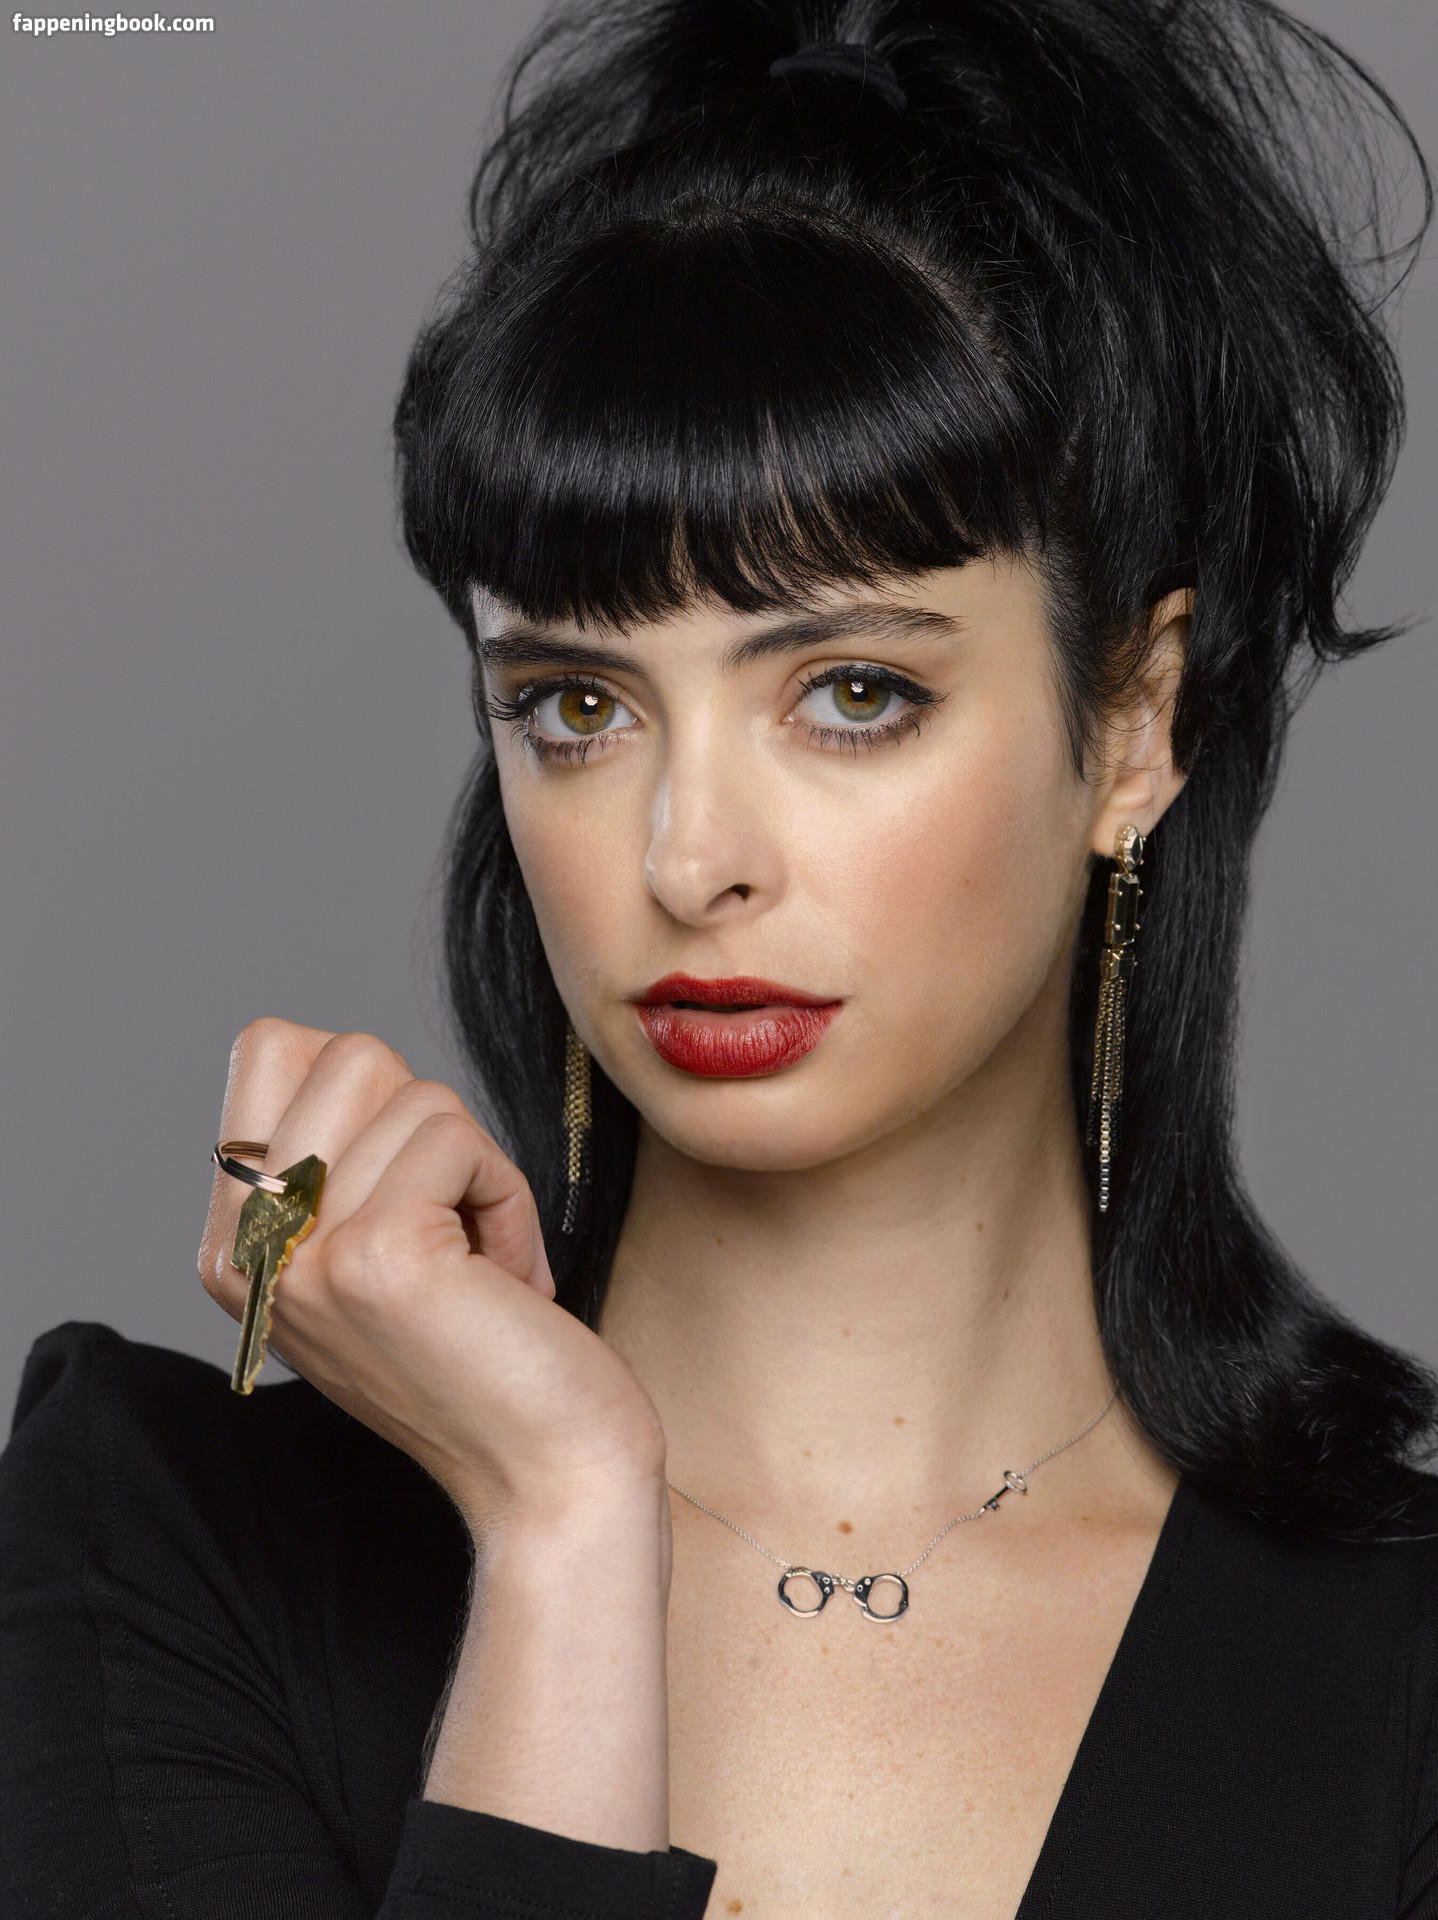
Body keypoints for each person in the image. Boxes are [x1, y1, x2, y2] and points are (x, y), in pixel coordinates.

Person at [3, 0, 1435, 1913]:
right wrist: (563, 1522)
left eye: (851, 692)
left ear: (1133, 724)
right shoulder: (163, 1547)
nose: (686, 860)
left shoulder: (1396, 1678)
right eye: (577, 706)